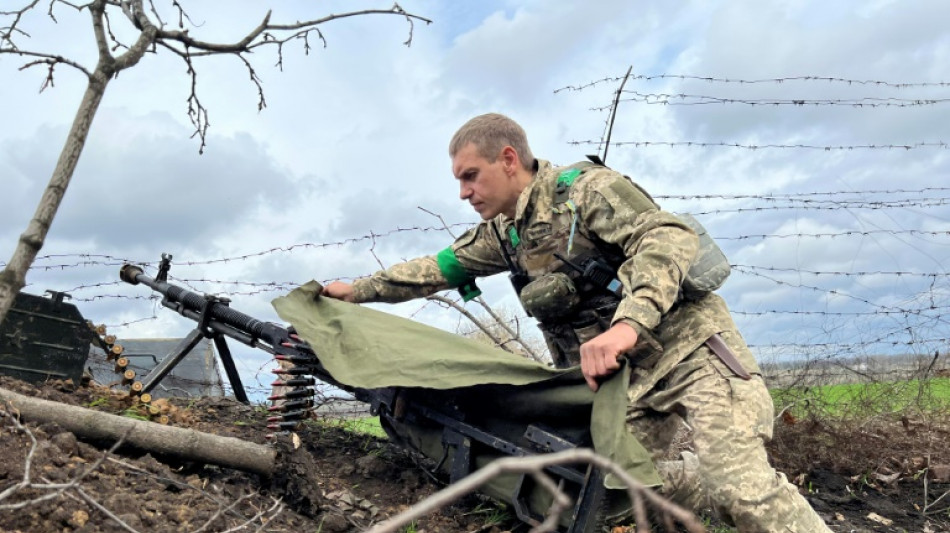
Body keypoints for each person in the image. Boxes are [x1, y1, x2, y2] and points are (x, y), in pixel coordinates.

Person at [322, 113, 832, 532]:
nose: (463, 193)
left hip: (691, 353)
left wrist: (626, 324)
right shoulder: (504, 235)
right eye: (458, 180)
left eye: (469, 176)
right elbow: (437, 269)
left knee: (742, 490)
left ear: (508, 159)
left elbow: (667, 238)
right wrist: (357, 291)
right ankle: (704, 479)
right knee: (622, 495)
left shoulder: (586, 192)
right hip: (623, 387)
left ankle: (725, 483)